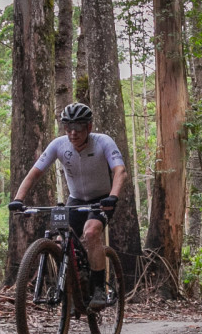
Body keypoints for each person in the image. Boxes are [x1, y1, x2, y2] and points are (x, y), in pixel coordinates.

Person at [7, 102, 128, 310]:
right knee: (59, 239)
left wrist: (113, 197)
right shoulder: (59, 145)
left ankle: (99, 288)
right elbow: (35, 173)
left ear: (89, 127)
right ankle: (74, 285)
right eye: (68, 127)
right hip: (75, 200)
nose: (73, 133)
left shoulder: (103, 142)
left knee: (91, 233)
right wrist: (18, 199)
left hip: (101, 200)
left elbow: (120, 171)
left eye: (79, 127)